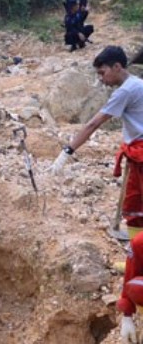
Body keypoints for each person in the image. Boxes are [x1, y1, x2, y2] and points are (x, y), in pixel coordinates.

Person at [48, 46, 143, 343]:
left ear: (117, 66)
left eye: (103, 73)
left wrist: (66, 152)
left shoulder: (126, 90)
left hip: (141, 158)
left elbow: (93, 123)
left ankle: (136, 264)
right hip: (137, 153)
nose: (101, 80)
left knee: (135, 211)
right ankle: (136, 261)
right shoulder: (139, 85)